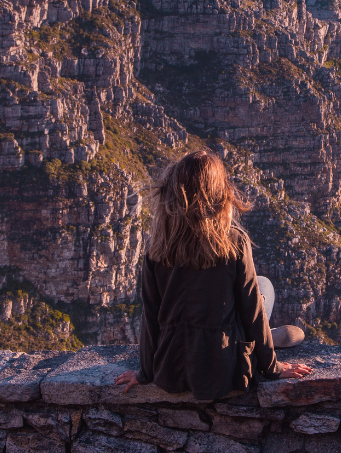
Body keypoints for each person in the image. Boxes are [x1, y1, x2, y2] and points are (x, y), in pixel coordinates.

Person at [115, 149, 312, 399]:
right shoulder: (234, 242)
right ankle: (267, 340)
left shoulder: (157, 247)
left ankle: (266, 338)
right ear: (218, 194)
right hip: (223, 369)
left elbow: (151, 316)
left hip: (171, 369)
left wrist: (144, 373)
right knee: (264, 288)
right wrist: (272, 368)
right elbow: (251, 312)